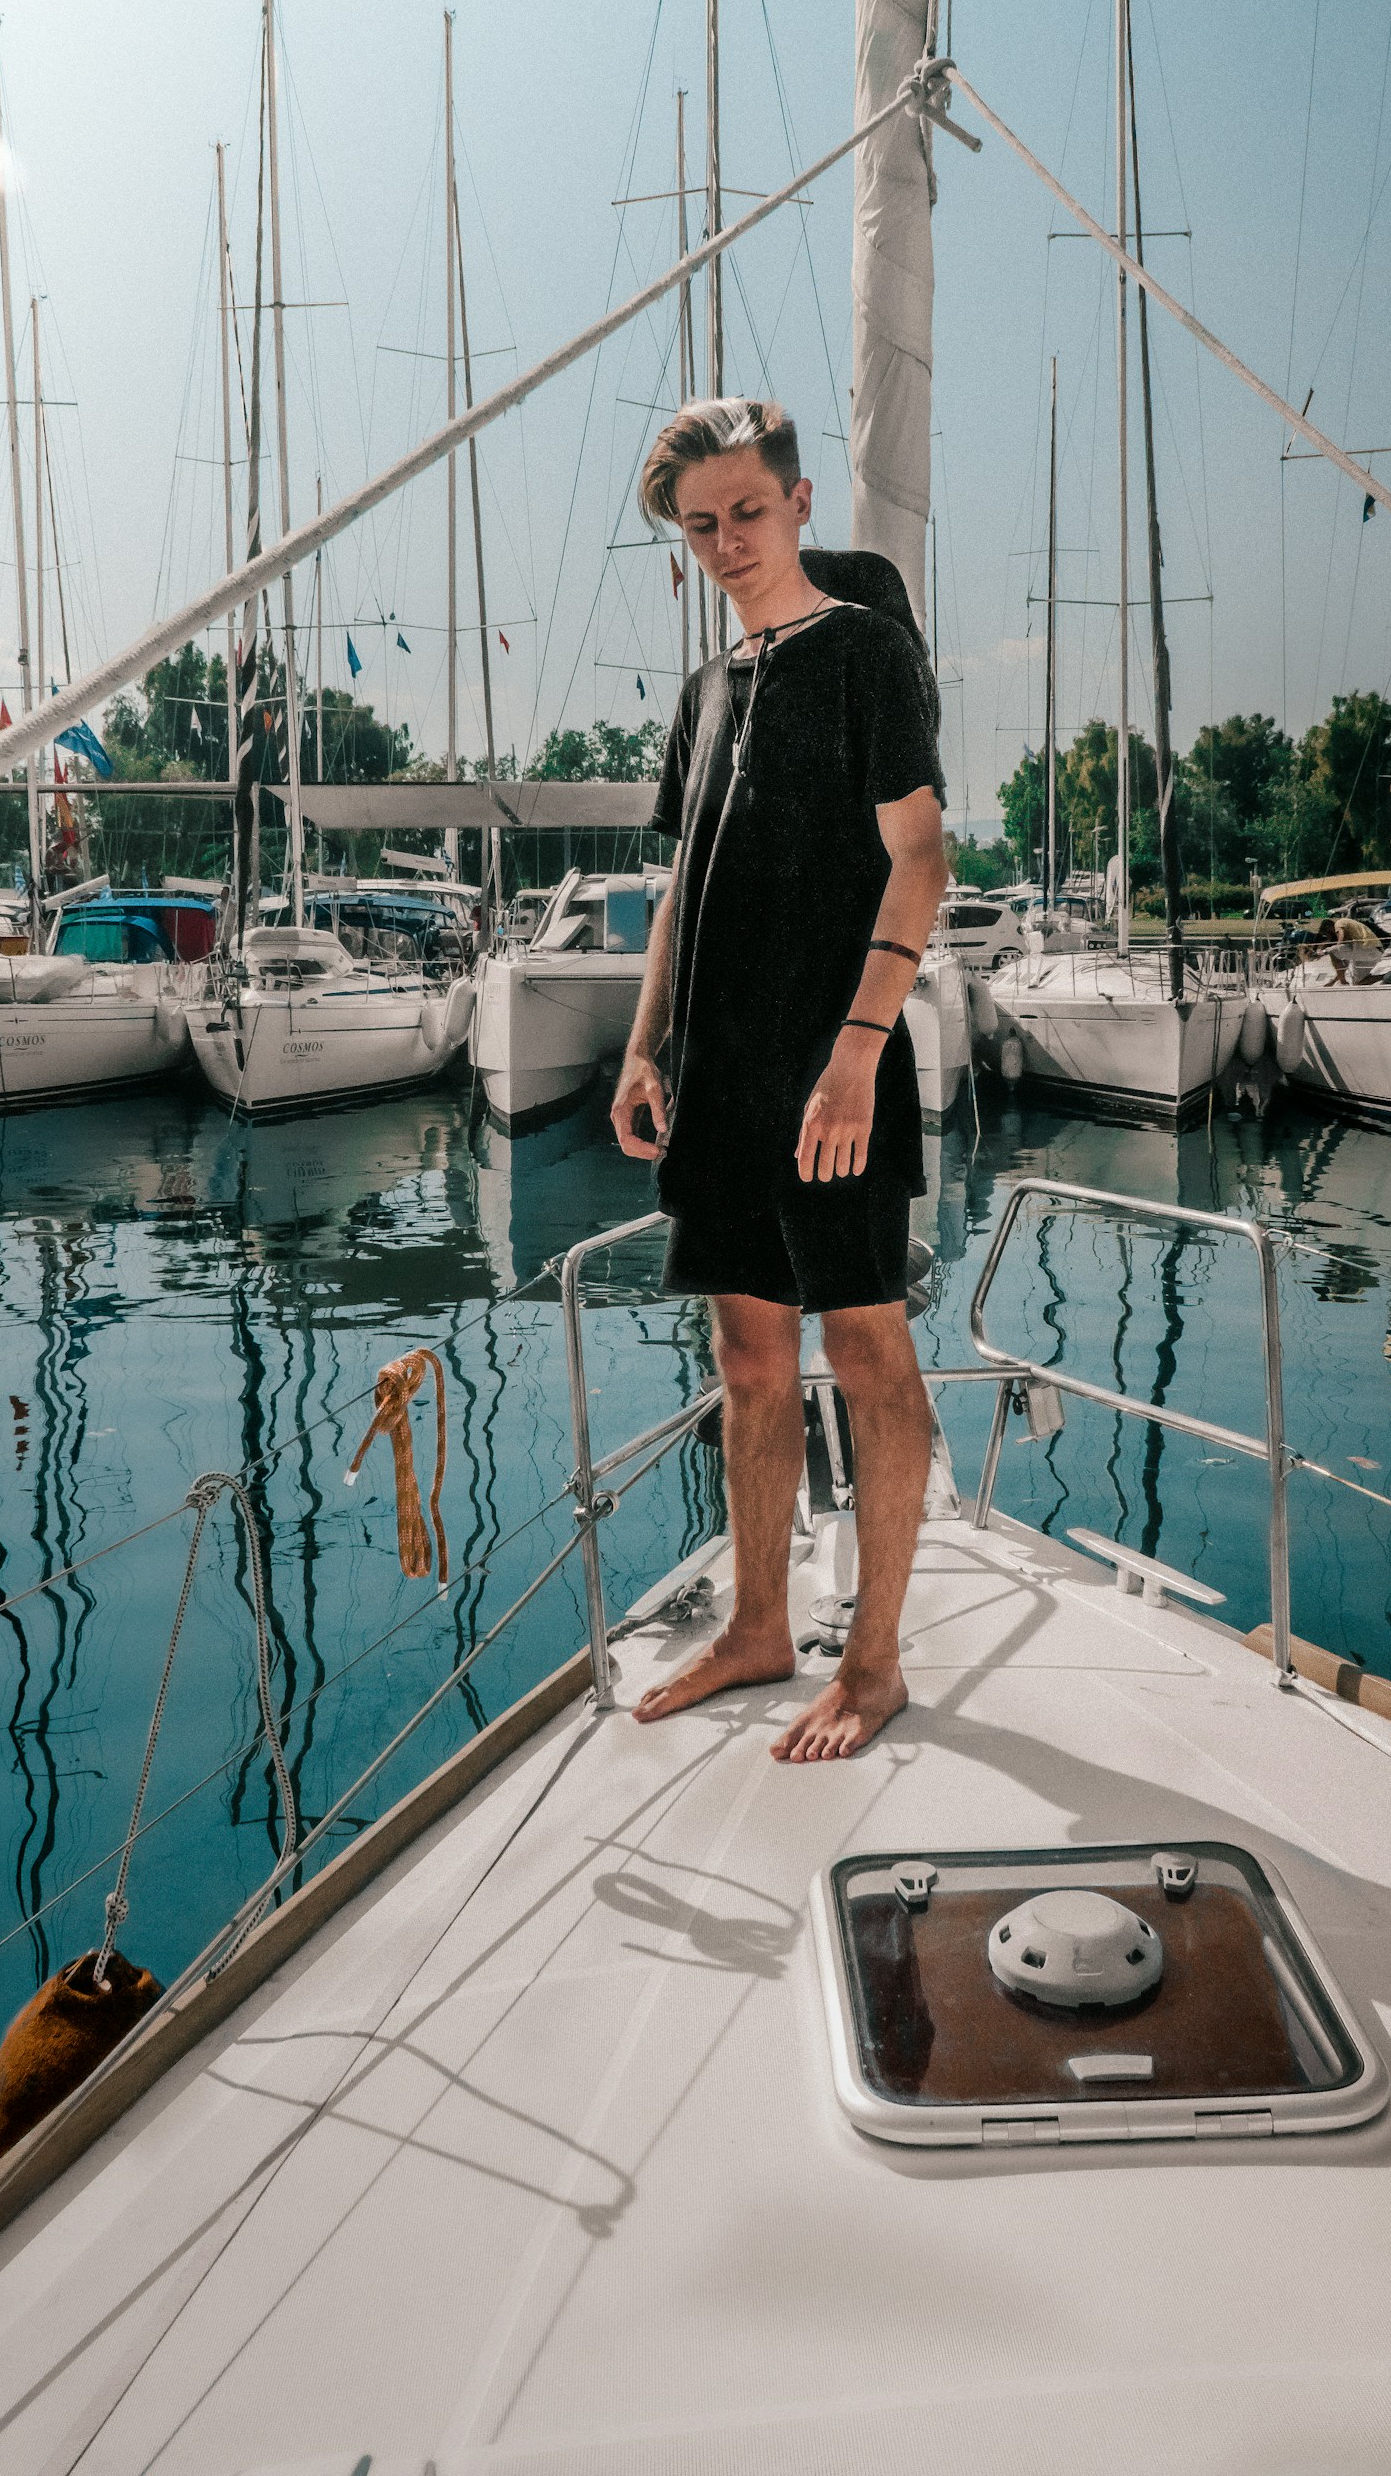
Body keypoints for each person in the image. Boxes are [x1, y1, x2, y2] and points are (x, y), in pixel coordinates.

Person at [611, 397, 949, 1761]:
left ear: (800, 504)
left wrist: (857, 1057)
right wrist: (643, 1045)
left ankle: (873, 1663)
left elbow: (922, 860)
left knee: (865, 1353)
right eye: (702, 525)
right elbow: (680, 889)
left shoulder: (870, 654)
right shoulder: (702, 698)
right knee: (750, 1357)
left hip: (835, 1066)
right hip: (721, 1073)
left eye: (748, 511)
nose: (727, 540)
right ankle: (758, 1628)